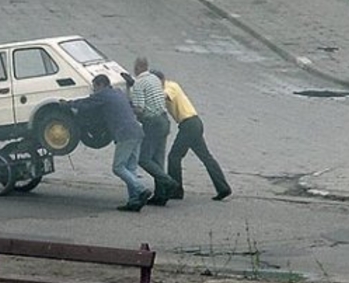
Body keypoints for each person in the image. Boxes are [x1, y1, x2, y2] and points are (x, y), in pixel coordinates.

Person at [67, 74, 152, 212]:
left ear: (101, 85)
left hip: (125, 134)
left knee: (118, 167)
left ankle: (141, 189)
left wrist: (68, 104)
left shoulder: (104, 95)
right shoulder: (118, 92)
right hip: (137, 132)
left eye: (94, 87)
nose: (94, 90)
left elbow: (86, 103)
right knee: (130, 168)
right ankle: (134, 201)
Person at [152, 70, 232, 202]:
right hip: (193, 123)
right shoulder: (167, 86)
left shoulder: (170, 86)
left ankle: (177, 190)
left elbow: (163, 96)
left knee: (174, 157)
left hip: (189, 124)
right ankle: (223, 188)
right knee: (206, 157)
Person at [129, 57, 179, 206]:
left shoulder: (138, 84)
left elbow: (139, 109)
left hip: (152, 123)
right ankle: (161, 195)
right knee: (158, 160)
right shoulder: (154, 79)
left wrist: (128, 106)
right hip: (164, 121)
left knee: (143, 159)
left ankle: (169, 182)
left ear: (137, 68)